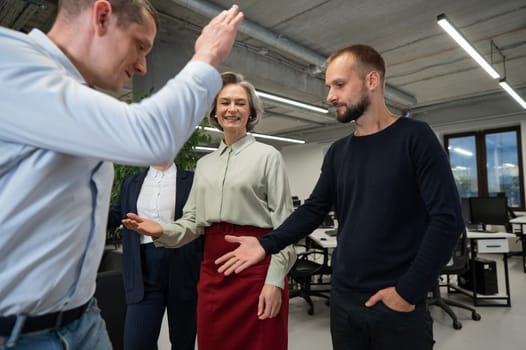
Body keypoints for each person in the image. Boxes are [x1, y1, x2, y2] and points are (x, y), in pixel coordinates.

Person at [0, 0, 243, 348]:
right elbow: (151, 137)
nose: (143, 66)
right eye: (140, 45)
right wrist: (206, 57)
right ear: (101, 17)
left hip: (81, 318)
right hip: (19, 335)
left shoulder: (71, 94)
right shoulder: (12, 61)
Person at [215, 45, 465, 350]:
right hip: (344, 300)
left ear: (371, 81)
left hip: (397, 302)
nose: (330, 95)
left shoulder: (415, 137)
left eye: (339, 84)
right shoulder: (339, 152)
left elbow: (448, 220)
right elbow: (314, 209)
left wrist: (408, 292)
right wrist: (266, 244)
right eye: (329, 87)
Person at [122, 72, 296, 350]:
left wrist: (275, 281)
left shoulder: (268, 156)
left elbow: (286, 228)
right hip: (213, 272)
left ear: (251, 111)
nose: (232, 109)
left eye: (240, 103)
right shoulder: (205, 164)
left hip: (256, 268)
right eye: (225, 102)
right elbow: (193, 222)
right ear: (214, 110)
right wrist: (162, 230)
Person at [107, 162, 202, 350]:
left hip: (183, 265)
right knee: (136, 343)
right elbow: (115, 215)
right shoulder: (130, 183)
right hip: (143, 269)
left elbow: (199, 222)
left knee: (183, 342)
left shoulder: (192, 181)